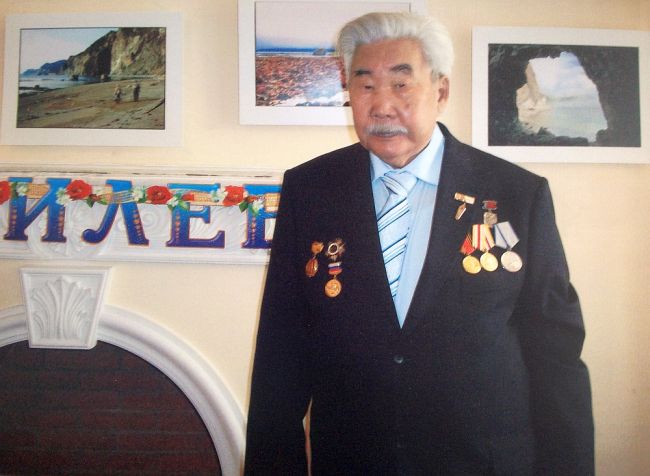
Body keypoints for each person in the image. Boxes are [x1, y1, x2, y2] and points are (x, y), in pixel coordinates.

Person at [245, 11, 593, 475]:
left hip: (482, 461)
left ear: (441, 92)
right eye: (365, 85)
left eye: (401, 84)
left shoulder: (516, 194)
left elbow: (556, 355)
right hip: (353, 461)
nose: (382, 105)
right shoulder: (311, 190)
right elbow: (281, 349)